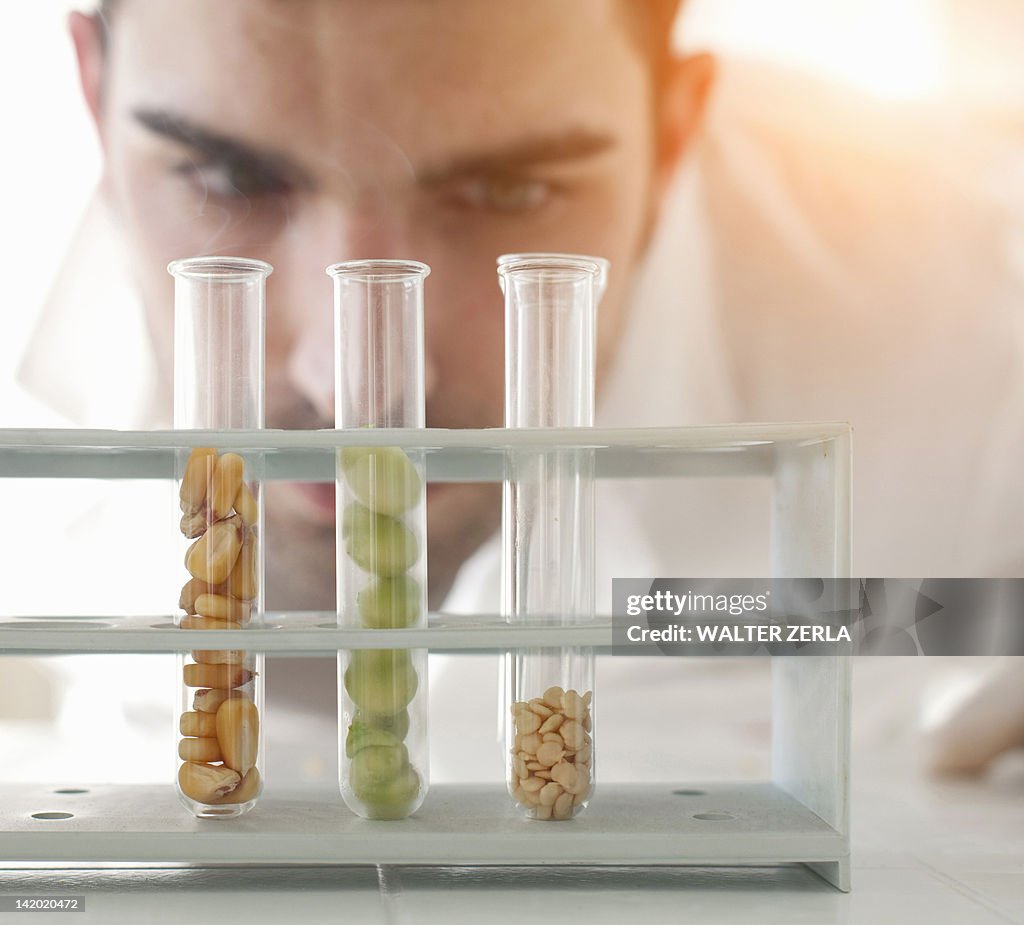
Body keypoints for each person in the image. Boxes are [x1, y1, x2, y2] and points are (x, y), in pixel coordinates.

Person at [18, 0, 1024, 781]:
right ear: (90, 93)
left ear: (673, 133)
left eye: (506, 194)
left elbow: (953, 620)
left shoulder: (975, 330)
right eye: (225, 179)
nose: (357, 387)